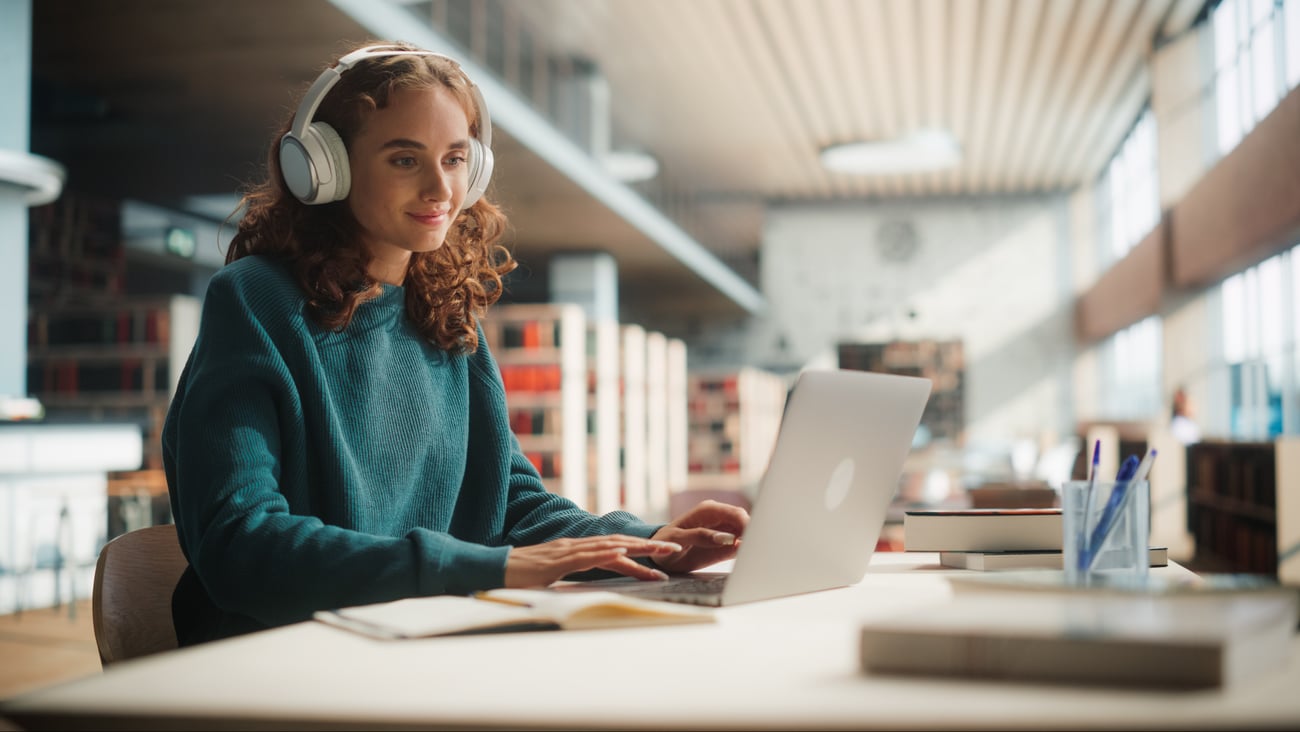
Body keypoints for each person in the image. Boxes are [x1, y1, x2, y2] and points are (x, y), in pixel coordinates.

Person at [163, 41, 748, 646]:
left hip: (413, 642)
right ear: (324, 167)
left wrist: (648, 545)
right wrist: (485, 568)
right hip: (282, 656)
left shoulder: (444, 316)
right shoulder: (255, 301)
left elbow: (511, 505)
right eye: (404, 160)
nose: (440, 189)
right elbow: (241, 541)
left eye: (454, 159)